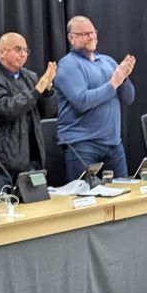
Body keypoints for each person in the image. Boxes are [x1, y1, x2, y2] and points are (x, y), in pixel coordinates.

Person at [54, 16, 135, 179]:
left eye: (93, 32)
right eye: (85, 34)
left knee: (124, 192)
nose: (91, 37)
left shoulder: (108, 61)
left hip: (114, 144)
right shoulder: (68, 65)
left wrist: (124, 78)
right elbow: (82, 101)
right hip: (82, 144)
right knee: (86, 194)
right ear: (71, 38)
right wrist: (113, 83)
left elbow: (129, 98)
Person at [0, 32, 56, 194]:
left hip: (29, 163)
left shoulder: (30, 77)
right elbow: (8, 109)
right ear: (2, 52)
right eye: (18, 49)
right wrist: (37, 90)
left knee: (36, 207)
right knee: (1, 209)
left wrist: (47, 90)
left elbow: (47, 112)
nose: (23, 54)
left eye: (26, 50)